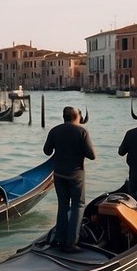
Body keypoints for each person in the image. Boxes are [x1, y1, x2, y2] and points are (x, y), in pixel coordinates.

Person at [43, 105, 95, 252]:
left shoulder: (54, 130)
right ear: (76, 117)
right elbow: (92, 155)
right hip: (76, 175)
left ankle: (59, 239)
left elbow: (47, 151)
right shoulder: (82, 131)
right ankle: (71, 243)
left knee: (63, 205)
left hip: (58, 175)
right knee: (78, 205)